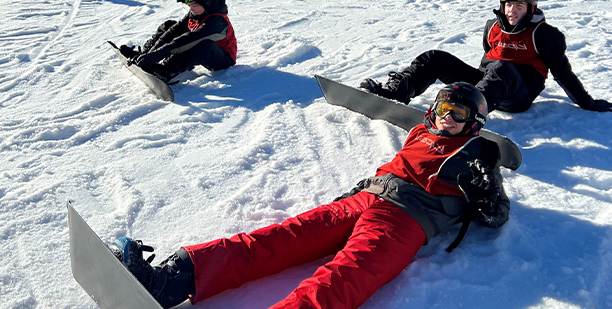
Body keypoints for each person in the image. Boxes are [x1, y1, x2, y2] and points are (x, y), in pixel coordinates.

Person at [109, 83, 510, 309]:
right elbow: (394, 169)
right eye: (442, 107)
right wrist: (354, 193)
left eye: (458, 113)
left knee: (342, 280)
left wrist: (484, 187)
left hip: (406, 219)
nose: (446, 116)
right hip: (366, 199)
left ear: (473, 122)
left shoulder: (479, 152)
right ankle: (170, 279)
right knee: (278, 239)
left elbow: (496, 214)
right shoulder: (421, 132)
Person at [360, 0, 612, 114]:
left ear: (531, 9)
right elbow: (486, 58)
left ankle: (466, 112)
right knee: (434, 57)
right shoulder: (493, 26)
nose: (512, 11)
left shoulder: (546, 35)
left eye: (519, 7)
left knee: (503, 67)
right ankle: (397, 92)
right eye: (508, 6)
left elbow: (562, 73)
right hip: (488, 85)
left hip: (519, 94)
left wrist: (587, 103)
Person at [120, 0, 236, 83]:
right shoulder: (198, 12)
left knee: (203, 44)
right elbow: (175, 30)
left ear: (206, 3)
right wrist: (151, 53)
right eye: (189, 5)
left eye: (194, 5)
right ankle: (144, 56)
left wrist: (160, 53)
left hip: (223, 59)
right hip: (199, 43)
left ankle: (166, 71)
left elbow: (190, 39)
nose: (191, 9)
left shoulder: (217, 21)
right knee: (170, 25)